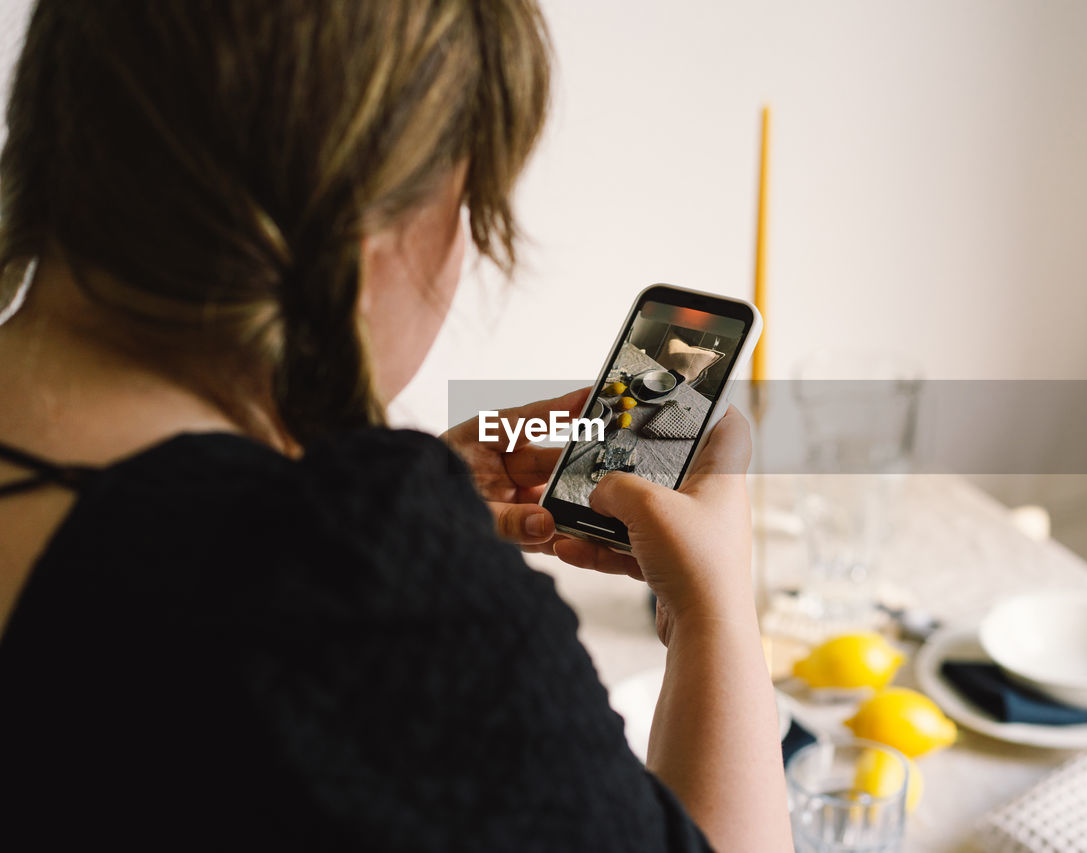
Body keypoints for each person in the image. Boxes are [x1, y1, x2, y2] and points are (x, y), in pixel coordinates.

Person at [0, 2, 790, 850]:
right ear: (371, 229)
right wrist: (712, 615)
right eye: (469, 199)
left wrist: (343, 492)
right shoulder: (349, 590)